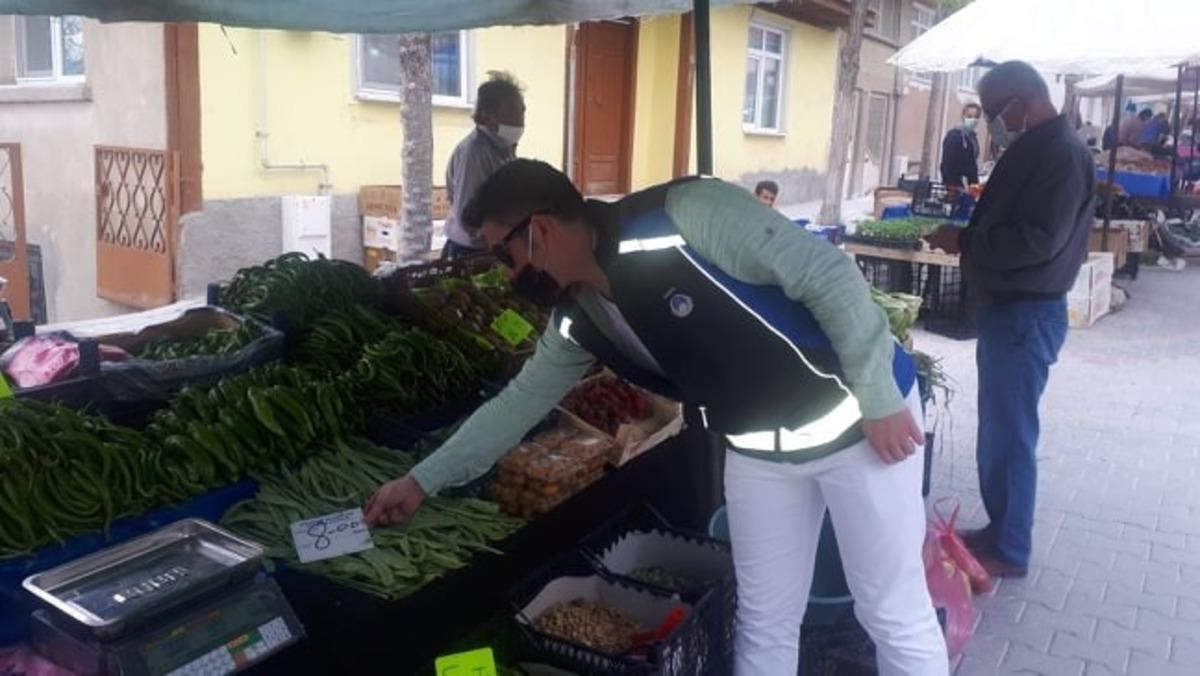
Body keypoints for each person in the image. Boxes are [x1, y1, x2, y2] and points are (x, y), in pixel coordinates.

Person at [365, 160, 949, 675]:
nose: (504, 274)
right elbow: (516, 405)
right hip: (758, 453)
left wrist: (879, 398)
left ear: (538, 230)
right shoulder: (578, 317)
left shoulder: (683, 216)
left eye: (503, 255)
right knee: (765, 618)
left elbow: (829, 275)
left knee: (889, 610)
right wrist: (421, 481)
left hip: (861, 427)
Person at [927, 61, 1094, 578]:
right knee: (1000, 430)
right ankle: (1001, 529)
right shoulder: (1039, 145)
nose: (994, 124)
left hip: (1027, 312)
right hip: (1010, 309)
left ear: (1024, 100)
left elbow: (1040, 238)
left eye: (997, 112)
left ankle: (1011, 548)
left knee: (1012, 434)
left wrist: (968, 241)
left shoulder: (1061, 152)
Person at [441, 71, 526, 260]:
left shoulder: (502, 148)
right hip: (470, 252)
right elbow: (468, 217)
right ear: (488, 116)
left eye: (522, 110)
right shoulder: (475, 153)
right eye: (512, 110)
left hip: (489, 247)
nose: (520, 118)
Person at [940, 103, 982, 189]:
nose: (973, 120)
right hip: (955, 186)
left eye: (976, 117)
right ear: (963, 116)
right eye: (969, 116)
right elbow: (947, 164)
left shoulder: (973, 138)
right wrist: (951, 186)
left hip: (969, 187)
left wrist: (975, 185)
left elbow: (972, 165)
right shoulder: (954, 137)